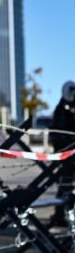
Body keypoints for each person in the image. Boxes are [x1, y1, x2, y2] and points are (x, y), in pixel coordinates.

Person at [49, 80, 75, 227]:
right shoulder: (61, 110)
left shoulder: (69, 108)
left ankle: (61, 213)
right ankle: (59, 214)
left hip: (69, 152)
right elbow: (57, 134)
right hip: (67, 155)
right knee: (65, 184)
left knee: (65, 185)